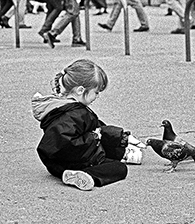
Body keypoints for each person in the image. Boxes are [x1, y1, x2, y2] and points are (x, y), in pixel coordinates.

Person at [31, 59, 145, 191]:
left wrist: (121, 137)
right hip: (73, 161)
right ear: (80, 90)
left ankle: (72, 174)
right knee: (119, 168)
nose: (97, 96)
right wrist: (94, 137)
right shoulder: (75, 113)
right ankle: (86, 175)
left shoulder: (63, 106)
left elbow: (97, 127)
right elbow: (69, 141)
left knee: (107, 145)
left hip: (56, 164)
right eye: (96, 92)